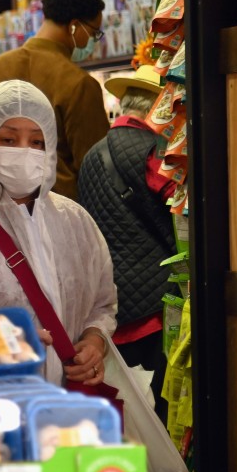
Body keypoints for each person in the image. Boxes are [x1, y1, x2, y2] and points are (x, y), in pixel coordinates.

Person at [0, 80, 117, 385]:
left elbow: (102, 303)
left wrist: (94, 341)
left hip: (65, 412)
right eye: (8, 140)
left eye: (37, 143)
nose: (24, 151)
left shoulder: (75, 222)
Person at [0, 0, 110, 200]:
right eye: (94, 32)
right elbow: (96, 169)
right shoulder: (78, 84)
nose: (94, 41)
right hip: (49, 221)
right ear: (74, 26)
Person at [78, 65, 177, 419]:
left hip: (108, 307)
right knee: (163, 403)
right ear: (156, 108)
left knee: (124, 406)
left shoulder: (91, 156)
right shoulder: (155, 152)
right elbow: (179, 212)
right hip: (156, 305)